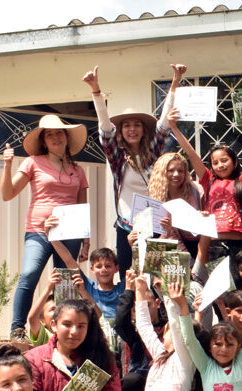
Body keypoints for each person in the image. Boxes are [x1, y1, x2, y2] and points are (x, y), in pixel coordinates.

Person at [83, 63, 185, 276]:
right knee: (128, 278)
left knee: (157, 277)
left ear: (143, 129)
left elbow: (165, 124)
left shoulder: (155, 152)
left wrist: (175, 81)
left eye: (136, 124)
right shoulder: (118, 157)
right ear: (122, 130)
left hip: (156, 224)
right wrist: (96, 90)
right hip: (127, 226)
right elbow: (105, 130)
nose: (132, 129)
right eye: (127, 125)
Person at [1, 115, 89, 342]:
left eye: (59, 132)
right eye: (50, 134)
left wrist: (86, 240)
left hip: (70, 232)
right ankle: (17, 330)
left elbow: (82, 206)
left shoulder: (78, 171)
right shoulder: (32, 162)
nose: (55, 137)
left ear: (66, 137)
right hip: (38, 230)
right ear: (44, 141)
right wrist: (8, 165)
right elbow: (8, 194)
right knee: (29, 274)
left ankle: (63, 334)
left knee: (66, 284)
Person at [167, 98, 242, 262]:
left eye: (224, 160)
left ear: (234, 161)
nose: (220, 165)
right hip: (212, 247)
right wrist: (174, 127)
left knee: (238, 287)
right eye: (215, 163)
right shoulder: (208, 180)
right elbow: (190, 153)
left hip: (237, 246)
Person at [147, 152, 204, 262]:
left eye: (180, 170)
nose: (176, 174)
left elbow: (207, 218)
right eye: (171, 170)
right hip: (170, 250)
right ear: (162, 173)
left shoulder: (196, 190)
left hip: (198, 247)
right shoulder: (154, 197)